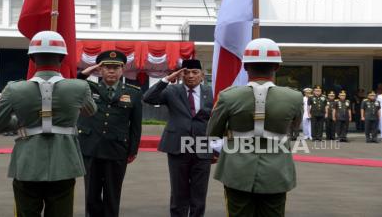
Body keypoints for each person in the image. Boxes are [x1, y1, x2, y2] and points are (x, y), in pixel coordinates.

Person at [0, 31, 96, 217]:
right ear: (62, 58)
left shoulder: (14, 89)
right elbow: (90, 111)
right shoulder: (79, 87)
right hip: (64, 161)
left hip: (27, 163)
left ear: (32, 59)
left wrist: (20, 122)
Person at [207, 38, 302, 217]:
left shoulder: (228, 96)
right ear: (276, 67)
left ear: (245, 67)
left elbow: (213, 134)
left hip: (236, 172)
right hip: (276, 172)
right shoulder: (294, 98)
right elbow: (294, 129)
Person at [143, 59, 213, 217]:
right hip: (177, 145)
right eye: (186, 72)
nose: (190, 76)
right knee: (178, 190)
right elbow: (148, 98)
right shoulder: (172, 91)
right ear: (181, 74)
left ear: (202, 75)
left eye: (195, 72)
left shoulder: (211, 92)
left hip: (202, 145)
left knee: (199, 191)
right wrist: (167, 79)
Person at [77, 50, 142, 217]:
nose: (111, 71)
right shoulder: (87, 88)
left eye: (116, 67)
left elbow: (135, 125)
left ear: (122, 70)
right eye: (106, 67)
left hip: (117, 149)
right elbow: (72, 85)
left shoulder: (133, 92)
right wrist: (86, 72)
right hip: (91, 148)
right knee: (91, 194)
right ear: (99, 70)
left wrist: (133, 150)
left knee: (113, 194)